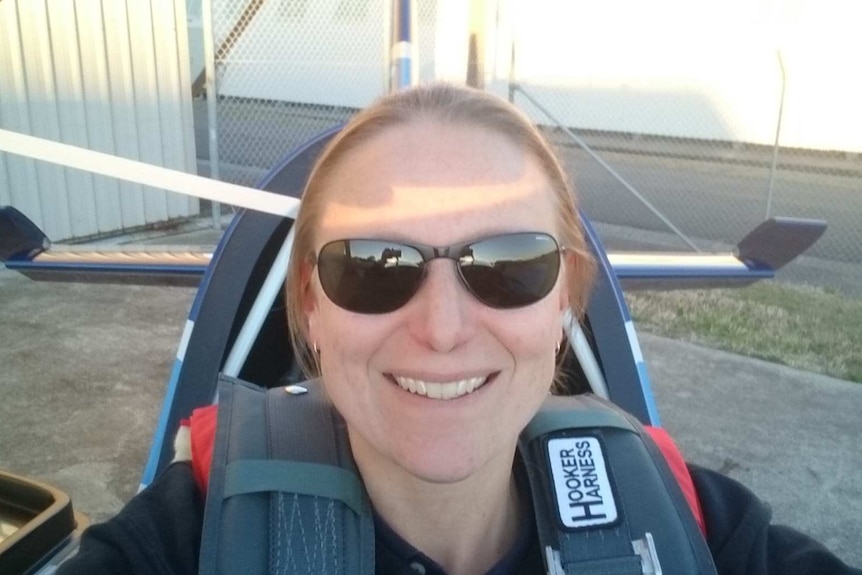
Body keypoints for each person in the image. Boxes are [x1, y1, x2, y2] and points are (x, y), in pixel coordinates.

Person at [57, 83, 859, 575]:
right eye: (374, 264)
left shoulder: (697, 526)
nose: (442, 329)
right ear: (310, 304)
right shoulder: (185, 541)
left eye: (507, 264)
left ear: (565, 300)